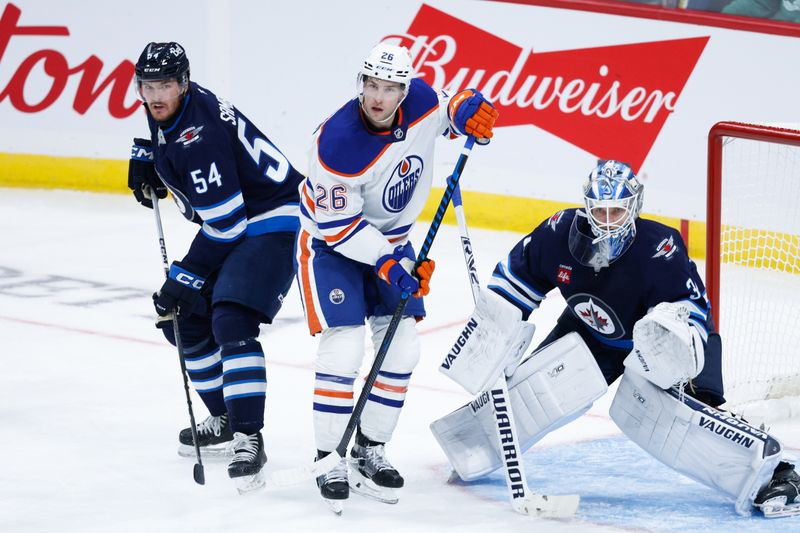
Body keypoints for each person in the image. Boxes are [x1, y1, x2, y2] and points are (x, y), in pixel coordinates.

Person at [432, 160, 800, 517]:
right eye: (600, 211)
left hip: (658, 346)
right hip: (586, 332)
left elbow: (691, 313)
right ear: (587, 206)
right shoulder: (558, 233)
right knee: (532, 391)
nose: (607, 222)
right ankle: (470, 445)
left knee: (683, 421)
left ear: (633, 208)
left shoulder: (659, 247)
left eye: (617, 212)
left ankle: (773, 473)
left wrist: (670, 353)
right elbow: (513, 283)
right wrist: (497, 330)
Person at [296, 42, 498, 510]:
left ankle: (370, 447)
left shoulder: (421, 101)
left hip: (392, 241)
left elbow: (451, 109)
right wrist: (390, 264)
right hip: (331, 246)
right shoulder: (336, 144)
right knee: (344, 347)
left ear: (403, 90)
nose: (379, 98)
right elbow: (340, 227)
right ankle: (329, 456)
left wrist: (467, 107)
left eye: (390, 88)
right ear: (361, 84)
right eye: (371, 85)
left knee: (403, 347)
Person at [127, 42, 303, 492]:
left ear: (184, 83)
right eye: (147, 85)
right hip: (244, 217)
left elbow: (226, 224)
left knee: (231, 315)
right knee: (183, 320)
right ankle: (224, 417)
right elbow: (170, 133)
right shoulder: (173, 106)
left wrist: (185, 274)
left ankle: (249, 435)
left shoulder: (197, 135)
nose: (155, 95)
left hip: (276, 219)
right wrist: (150, 156)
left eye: (165, 85)